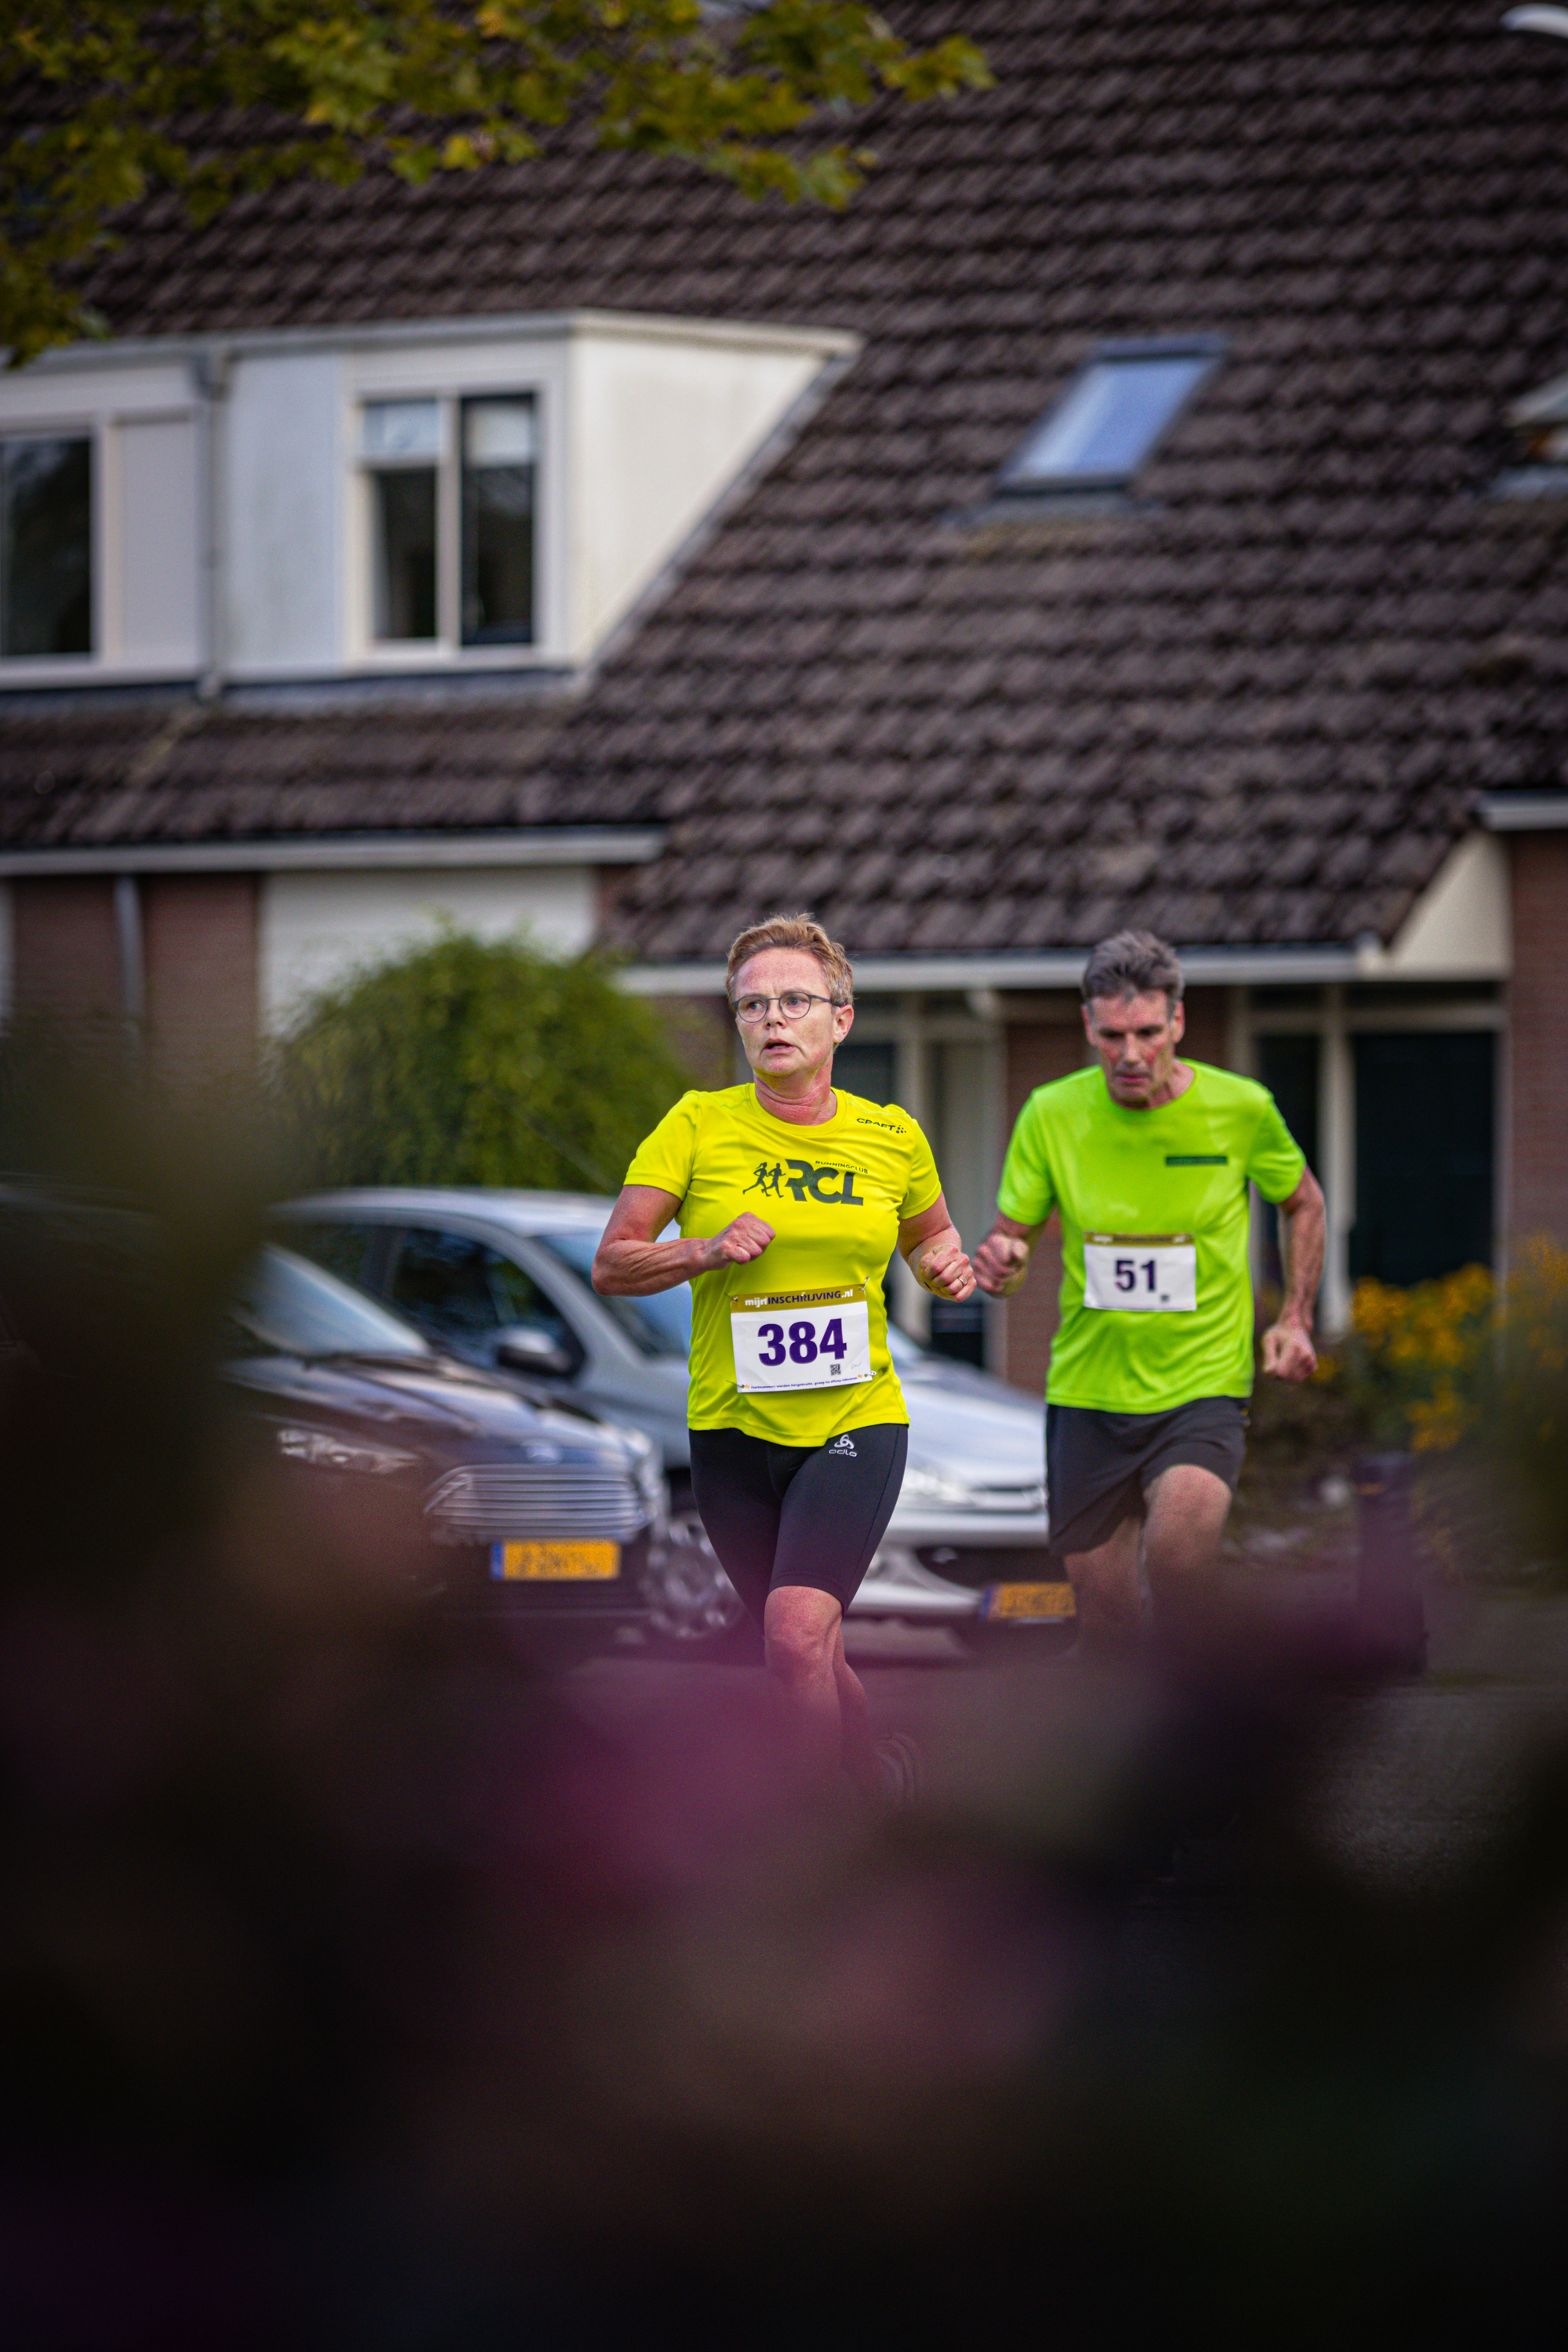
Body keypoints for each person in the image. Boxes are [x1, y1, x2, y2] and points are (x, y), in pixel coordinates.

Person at [592, 911, 975, 1798]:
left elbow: (929, 1238)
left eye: (792, 1001)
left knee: (796, 1632)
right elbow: (614, 1261)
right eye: (751, 1005)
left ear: (839, 1018)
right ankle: (871, 1779)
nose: (770, 1019)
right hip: (732, 1429)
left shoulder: (891, 1137)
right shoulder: (694, 1126)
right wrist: (703, 1248)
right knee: (801, 1647)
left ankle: (817, 1845)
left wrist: (943, 1265)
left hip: (853, 1417)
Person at [972, 930, 1325, 1665]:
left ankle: (1209, 1735)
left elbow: (1304, 1203)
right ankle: (1126, 1757)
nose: (1130, 1054)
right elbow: (1012, 1238)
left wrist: (1294, 1316)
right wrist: (1002, 1261)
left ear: (1178, 1024)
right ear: (1088, 1028)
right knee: (1106, 1621)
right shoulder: (1051, 1114)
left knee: (1177, 1560)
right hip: (1089, 1394)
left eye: (1146, 1033)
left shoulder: (1240, 1110)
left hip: (1201, 1386)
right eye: (1112, 1036)